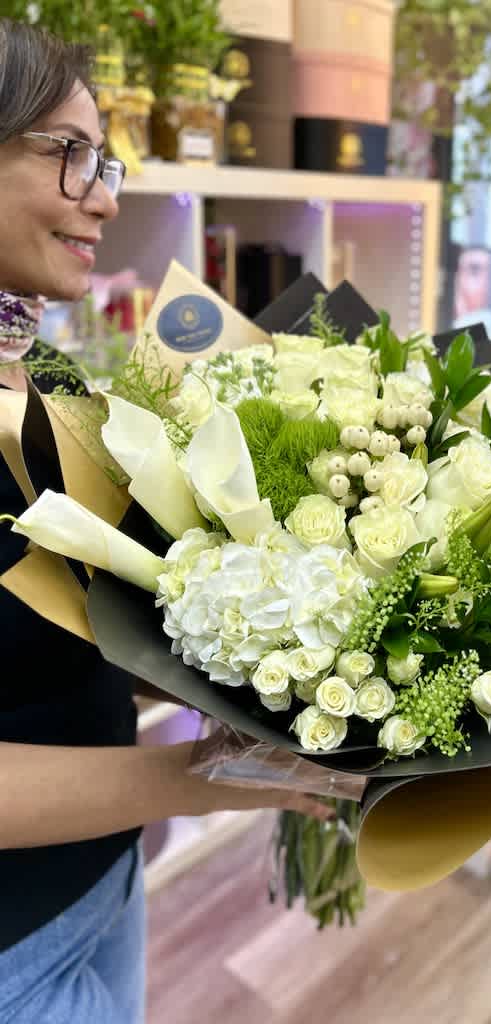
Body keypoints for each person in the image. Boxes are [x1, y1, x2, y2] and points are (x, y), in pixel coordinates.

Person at [0, 20, 327, 1023]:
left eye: (107, 163)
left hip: (102, 884)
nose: (104, 195)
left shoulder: (45, 373)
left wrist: (284, 649)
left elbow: (83, 626)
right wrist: (214, 777)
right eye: (69, 155)